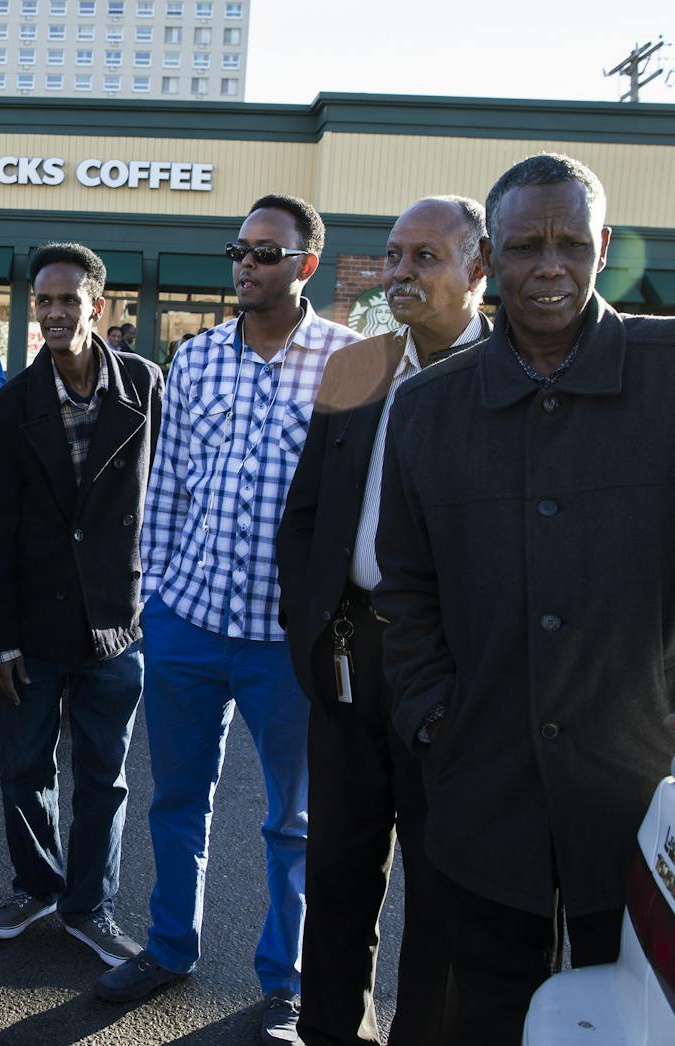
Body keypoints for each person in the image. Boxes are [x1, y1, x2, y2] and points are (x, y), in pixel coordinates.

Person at [376, 153, 675, 1045]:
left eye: (572, 244)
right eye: (526, 245)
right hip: (484, 783)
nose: (551, 266)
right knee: (488, 1009)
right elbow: (407, 584)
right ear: (487, 260)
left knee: (631, 1015)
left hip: (638, 785)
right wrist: (434, 716)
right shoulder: (429, 408)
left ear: (604, 247)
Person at [98, 194, 361, 1046]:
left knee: (294, 821)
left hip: (289, 643)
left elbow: (362, 506)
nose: (246, 263)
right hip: (190, 626)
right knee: (176, 800)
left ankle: (285, 983)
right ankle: (170, 948)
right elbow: (167, 487)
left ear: (307, 265)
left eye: (267, 252)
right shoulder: (199, 358)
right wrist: (157, 596)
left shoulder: (350, 363)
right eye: (238, 249)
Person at [275, 196, 491, 1046]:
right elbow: (307, 514)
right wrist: (307, 626)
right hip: (347, 655)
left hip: (455, 669)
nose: (400, 273)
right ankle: (333, 1031)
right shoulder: (357, 366)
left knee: (442, 888)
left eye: (424, 258)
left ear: (478, 270)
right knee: (335, 869)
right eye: (395, 256)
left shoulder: (509, 376)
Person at [0, 243, 163, 968]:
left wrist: (157, 595)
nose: (54, 313)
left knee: (103, 779)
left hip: (119, 621)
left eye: (68, 300)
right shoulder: (10, 404)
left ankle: (90, 906)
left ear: (98, 306)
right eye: (43, 301)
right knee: (24, 769)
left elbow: (171, 498)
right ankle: (37, 885)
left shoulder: (145, 385)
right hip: (32, 623)